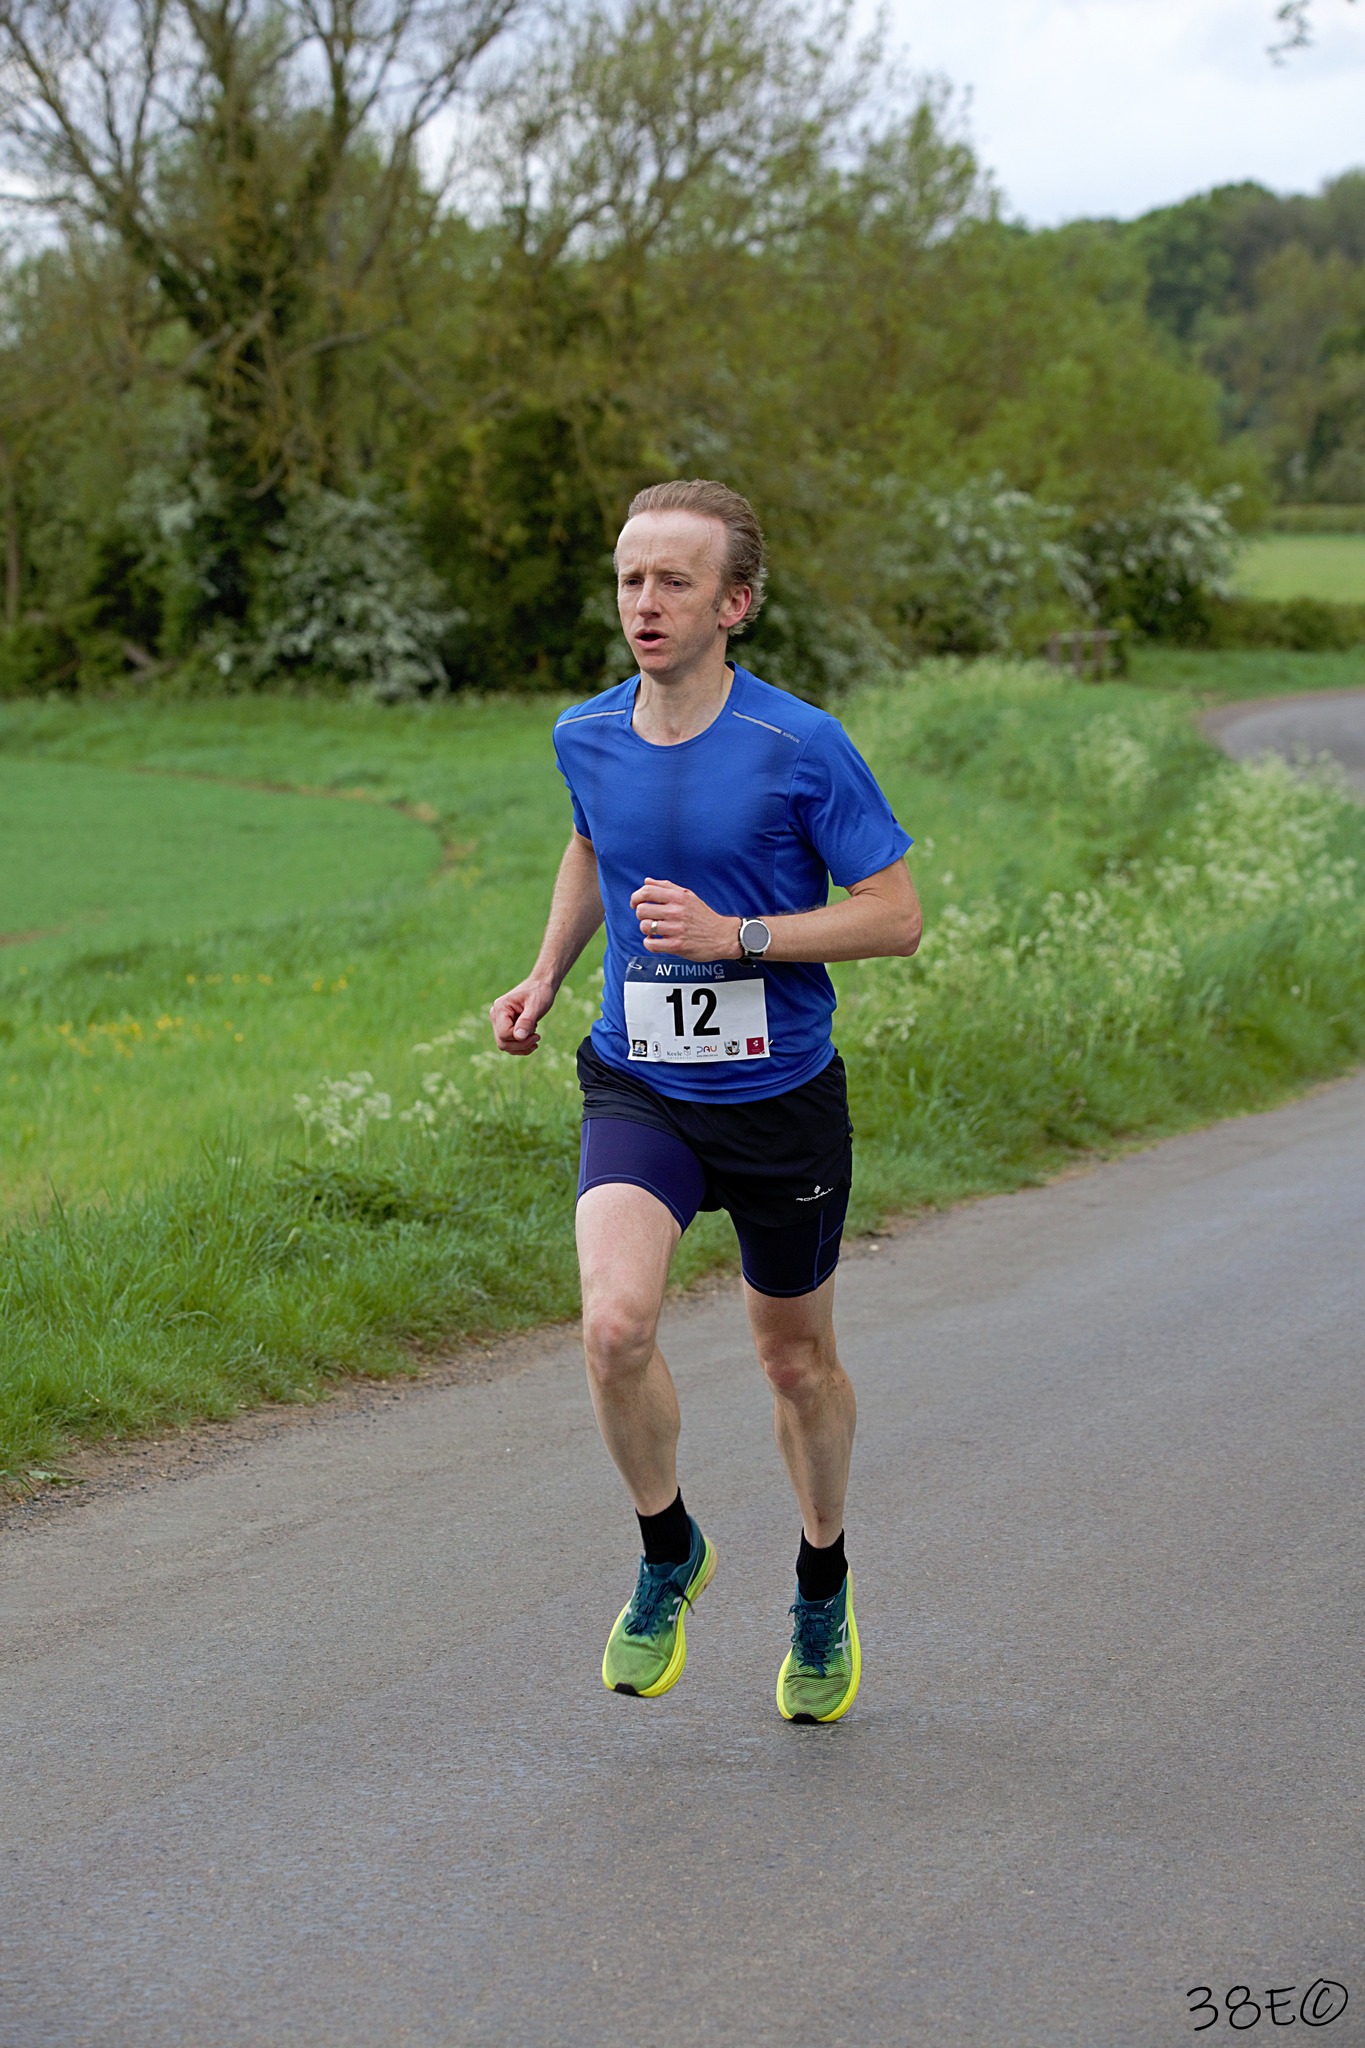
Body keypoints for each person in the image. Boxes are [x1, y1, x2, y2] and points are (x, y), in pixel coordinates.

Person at [490, 479, 920, 1723]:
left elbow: (895, 915)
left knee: (794, 1361)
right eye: (631, 578)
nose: (645, 602)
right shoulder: (586, 732)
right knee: (614, 1326)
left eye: (674, 581)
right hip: (641, 1080)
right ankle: (668, 1546)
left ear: (735, 603)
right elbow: (594, 844)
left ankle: (822, 1580)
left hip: (780, 1100)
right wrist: (546, 971)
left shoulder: (801, 744)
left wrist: (742, 935)